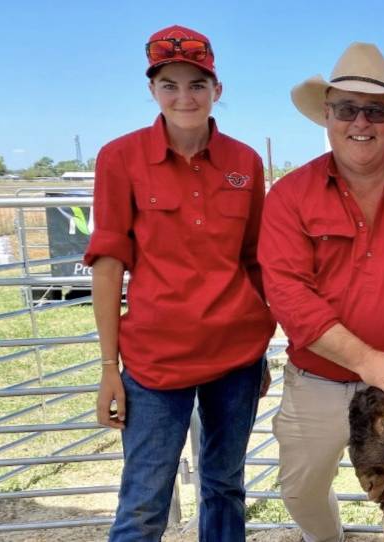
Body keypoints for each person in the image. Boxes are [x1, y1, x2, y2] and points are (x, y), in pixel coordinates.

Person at [259, 42, 384, 542]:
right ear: (327, 115)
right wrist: (367, 359)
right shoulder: (289, 196)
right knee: (300, 489)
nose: (360, 123)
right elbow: (287, 293)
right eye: (347, 109)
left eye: (374, 110)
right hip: (318, 381)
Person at [87, 25, 275, 541]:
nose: (184, 96)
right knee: (145, 497)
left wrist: (260, 347)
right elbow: (108, 263)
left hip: (235, 355)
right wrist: (109, 368)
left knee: (225, 484)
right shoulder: (119, 158)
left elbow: (257, 260)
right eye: (169, 84)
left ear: (217, 89)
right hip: (153, 358)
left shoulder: (245, 162)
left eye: (196, 83)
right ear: (152, 90)